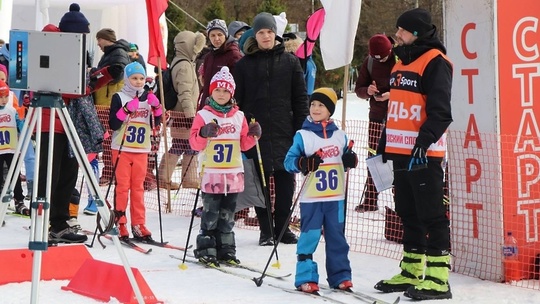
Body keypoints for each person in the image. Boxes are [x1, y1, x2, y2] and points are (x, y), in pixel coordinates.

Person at [373, 8, 453, 301]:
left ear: (416, 34)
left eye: (402, 31)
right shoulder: (399, 64)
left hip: (424, 154)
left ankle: (438, 277)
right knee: (408, 212)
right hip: (399, 152)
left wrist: (424, 141)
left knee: (431, 214)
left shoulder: (436, 62)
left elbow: (441, 112)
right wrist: (384, 140)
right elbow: (397, 109)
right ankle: (411, 270)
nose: (397, 34)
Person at [39, 4, 120, 243]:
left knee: (67, 174)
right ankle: (42, 222)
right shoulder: (52, 48)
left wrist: (104, 75)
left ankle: (60, 222)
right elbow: (68, 87)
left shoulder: (73, 51)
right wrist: (99, 76)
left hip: (69, 122)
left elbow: (79, 86)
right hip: (50, 122)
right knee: (49, 175)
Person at [234, 12, 309, 246]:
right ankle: (266, 229)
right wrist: (244, 127)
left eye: (269, 32)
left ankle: (283, 229)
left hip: (286, 131)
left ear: (275, 33)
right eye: (261, 32)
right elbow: (238, 101)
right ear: (254, 36)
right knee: (260, 182)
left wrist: (301, 129)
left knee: (286, 183)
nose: (266, 36)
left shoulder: (290, 61)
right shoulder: (244, 65)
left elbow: (300, 98)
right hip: (257, 134)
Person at [284, 87, 358, 293]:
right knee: (310, 237)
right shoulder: (303, 135)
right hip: (312, 199)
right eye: (313, 104)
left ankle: (340, 276)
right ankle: (306, 277)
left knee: (337, 238)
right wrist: (303, 162)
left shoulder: (340, 136)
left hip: (335, 199)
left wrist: (350, 159)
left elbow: (349, 158)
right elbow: (288, 162)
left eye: (321, 105)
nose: (315, 109)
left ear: (330, 110)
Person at [189, 66, 260, 266]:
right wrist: (203, 133)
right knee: (210, 214)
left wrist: (254, 135)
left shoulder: (239, 116)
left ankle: (226, 248)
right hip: (211, 174)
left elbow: (244, 144)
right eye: (217, 90)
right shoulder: (203, 115)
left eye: (225, 91)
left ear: (232, 93)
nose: (221, 94)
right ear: (211, 91)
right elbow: (194, 143)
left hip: (233, 174)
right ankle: (206, 247)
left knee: (228, 215)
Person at [108, 62, 162, 241]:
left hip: (141, 149)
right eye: (134, 78)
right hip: (122, 149)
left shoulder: (148, 98)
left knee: (138, 188)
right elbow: (113, 124)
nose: (138, 82)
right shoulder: (119, 96)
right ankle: (120, 222)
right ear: (127, 79)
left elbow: (158, 121)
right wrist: (125, 110)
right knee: (123, 187)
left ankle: (138, 223)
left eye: (141, 78)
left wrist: (157, 108)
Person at [354, 34, 397, 212]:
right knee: (374, 157)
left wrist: (391, 95)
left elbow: (412, 88)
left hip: (398, 116)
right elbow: (359, 89)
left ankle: (400, 200)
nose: (382, 60)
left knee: (398, 159)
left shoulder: (400, 59)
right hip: (377, 116)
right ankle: (371, 199)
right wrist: (369, 91)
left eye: (385, 57)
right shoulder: (369, 62)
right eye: (378, 58)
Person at [158, 30, 206, 190]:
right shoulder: (184, 65)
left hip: (183, 113)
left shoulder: (181, 61)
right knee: (180, 145)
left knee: (189, 147)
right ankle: (164, 177)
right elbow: (184, 92)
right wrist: (191, 114)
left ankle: (188, 178)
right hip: (184, 114)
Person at [92, 27, 131, 188]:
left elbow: (117, 73)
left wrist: (97, 74)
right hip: (105, 101)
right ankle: (111, 172)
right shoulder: (112, 53)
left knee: (110, 140)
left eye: (99, 39)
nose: (98, 43)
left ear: (106, 39)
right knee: (108, 139)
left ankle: (110, 173)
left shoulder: (118, 53)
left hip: (109, 101)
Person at [197, 19, 242, 110]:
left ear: (225, 35)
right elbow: (206, 86)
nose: (216, 39)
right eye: (212, 35)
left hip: (225, 108)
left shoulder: (233, 54)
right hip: (208, 105)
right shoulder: (208, 57)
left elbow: (239, 85)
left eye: (219, 34)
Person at [0, 80, 27, 215]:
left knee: (15, 175)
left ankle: (19, 201)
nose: (4, 100)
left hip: (11, 149)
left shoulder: (12, 105)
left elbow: (20, 121)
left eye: (5, 96)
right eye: (1, 97)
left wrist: (25, 130)